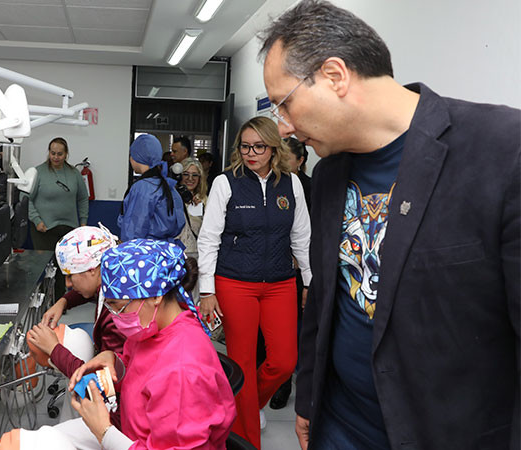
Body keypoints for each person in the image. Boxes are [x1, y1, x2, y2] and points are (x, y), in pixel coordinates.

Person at [259, 1, 520, 449]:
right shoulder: (328, 176)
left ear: (335, 76)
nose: (282, 128)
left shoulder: (501, 152)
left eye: (285, 105)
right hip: (340, 422)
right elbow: (325, 296)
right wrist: (309, 398)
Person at [197, 116, 311, 448]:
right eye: (245, 146)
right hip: (235, 282)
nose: (251, 153)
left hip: (279, 283)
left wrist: (309, 282)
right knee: (243, 363)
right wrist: (207, 290)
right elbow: (209, 239)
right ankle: (248, 442)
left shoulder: (291, 184)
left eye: (259, 146)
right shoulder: (225, 182)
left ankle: (237, 406)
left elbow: (302, 237)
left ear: (274, 148)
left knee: (283, 361)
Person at [67, 239, 235, 449]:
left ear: (155, 296)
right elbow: (141, 373)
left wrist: (105, 433)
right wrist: (115, 363)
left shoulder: (182, 369)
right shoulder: (152, 328)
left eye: (118, 306)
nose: (115, 316)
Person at [27, 225, 125, 431]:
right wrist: (63, 302)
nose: (68, 283)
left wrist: (55, 350)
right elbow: (86, 289)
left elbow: (102, 386)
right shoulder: (112, 281)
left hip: (117, 413)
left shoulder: (117, 313)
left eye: (71, 276)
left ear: (92, 269)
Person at [268, 136, 313, 410]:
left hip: (300, 270)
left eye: (286, 159)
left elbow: (311, 229)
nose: (281, 164)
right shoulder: (272, 185)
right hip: (273, 267)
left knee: (292, 330)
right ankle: (275, 381)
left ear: (301, 161)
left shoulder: (310, 187)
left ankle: (287, 383)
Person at [28, 137, 89, 298]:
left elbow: (83, 198)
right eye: (53, 153)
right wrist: (36, 220)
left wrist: (83, 223)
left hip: (69, 229)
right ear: (48, 153)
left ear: (66, 154)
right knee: (43, 267)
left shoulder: (74, 174)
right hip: (43, 228)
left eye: (60, 154)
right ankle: (41, 301)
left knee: (65, 267)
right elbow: (25, 198)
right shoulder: (38, 172)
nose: (55, 157)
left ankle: (61, 301)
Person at [118, 134, 185, 243]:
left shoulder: (142, 187)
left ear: (136, 157)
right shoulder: (167, 184)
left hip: (144, 253)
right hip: (165, 250)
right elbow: (179, 222)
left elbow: (134, 230)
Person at [175, 158, 208, 259]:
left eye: (194, 175)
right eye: (186, 174)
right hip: (176, 254)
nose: (190, 178)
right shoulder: (171, 199)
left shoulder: (205, 201)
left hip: (197, 256)